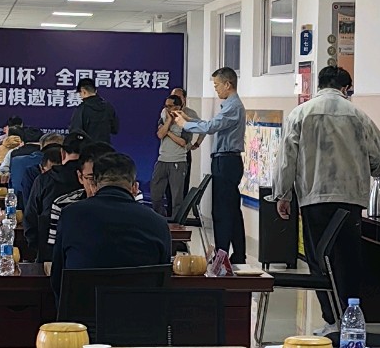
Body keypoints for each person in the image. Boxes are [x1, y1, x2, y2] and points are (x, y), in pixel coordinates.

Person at [276, 63, 380, 311]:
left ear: (319, 85)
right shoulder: (358, 116)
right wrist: (368, 169)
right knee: (348, 260)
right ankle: (349, 316)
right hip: (350, 199)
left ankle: (330, 317)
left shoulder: (300, 114)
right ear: (345, 88)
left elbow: (286, 160)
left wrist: (283, 195)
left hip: (313, 198)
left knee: (318, 259)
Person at [49, 148, 173, 295]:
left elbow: (57, 277)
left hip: (81, 308)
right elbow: (163, 282)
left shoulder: (70, 215)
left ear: (93, 186)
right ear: (135, 188)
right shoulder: (158, 223)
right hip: (139, 308)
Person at [178, 65, 245, 263]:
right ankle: (236, 255)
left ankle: (222, 255)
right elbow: (212, 124)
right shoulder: (229, 106)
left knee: (223, 210)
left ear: (227, 84)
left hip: (227, 161)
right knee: (231, 209)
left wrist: (185, 124)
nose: (215, 89)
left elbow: (211, 127)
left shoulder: (233, 106)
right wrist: (190, 120)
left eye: (217, 85)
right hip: (225, 161)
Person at [19, 137, 79, 264]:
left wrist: (39, 249)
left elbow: (30, 219)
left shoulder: (42, 180)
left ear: (62, 154)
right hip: (82, 257)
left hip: (48, 255)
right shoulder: (89, 180)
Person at [152, 88, 195, 224]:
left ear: (178, 107)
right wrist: (168, 122)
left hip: (178, 161)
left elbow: (183, 142)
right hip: (162, 160)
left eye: (170, 106)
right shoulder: (164, 116)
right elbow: (160, 134)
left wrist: (168, 133)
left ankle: (177, 225)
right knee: (156, 195)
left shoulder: (186, 121)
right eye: (166, 106)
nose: (167, 109)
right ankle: (160, 220)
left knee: (177, 197)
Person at [72, 77, 118, 150]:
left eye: (80, 93)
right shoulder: (108, 107)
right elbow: (115, 129)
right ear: (95, 91)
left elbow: (75, 132)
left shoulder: (82, 109)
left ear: (83, 91)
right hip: (106, 151)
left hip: (88, 152)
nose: (80, 96)